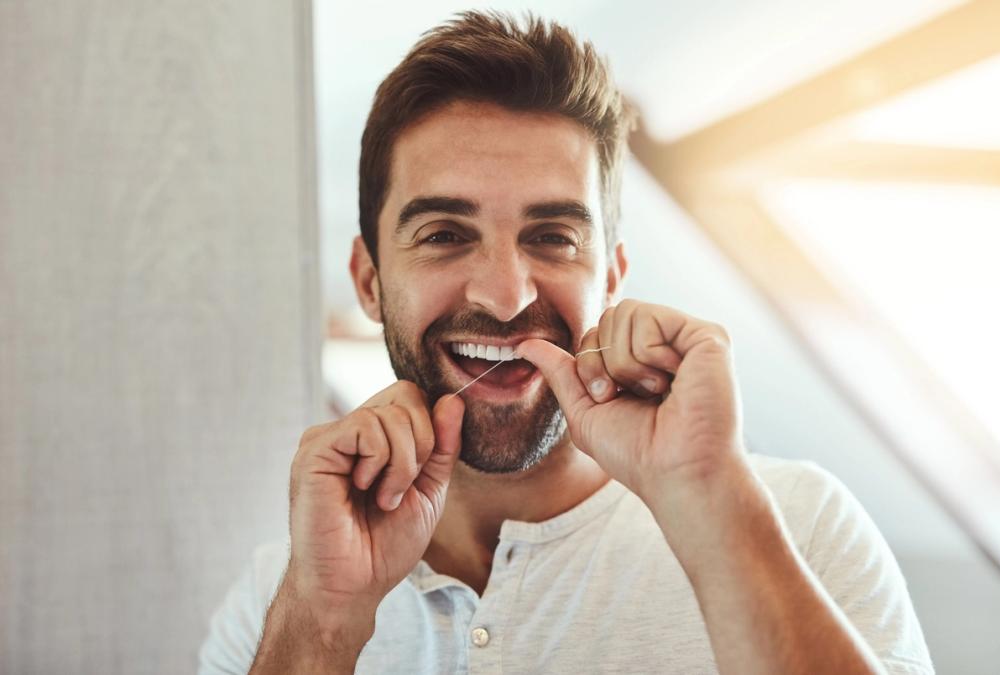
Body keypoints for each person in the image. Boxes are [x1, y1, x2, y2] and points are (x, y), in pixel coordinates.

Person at [199, 11, 934, 674]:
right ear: (367, 279)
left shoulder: (800, 527)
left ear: (611, 277)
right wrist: (325, 623)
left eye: (551, 236)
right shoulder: (284, 597)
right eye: (445, 234)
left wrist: (711, 504)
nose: (506, 293)